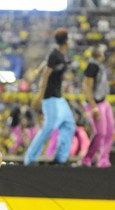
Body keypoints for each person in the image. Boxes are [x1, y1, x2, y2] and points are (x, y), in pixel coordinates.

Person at [24, 28, 76, 166]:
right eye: (69, 38)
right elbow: (46, 74)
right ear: (66, 40)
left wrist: (36, 70)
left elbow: (45, 65)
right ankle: (30, 158)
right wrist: (40, 95)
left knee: (69, 124)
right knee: (49, 127)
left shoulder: (60, 54)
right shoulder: (55, 54)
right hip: (49, 97)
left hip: (59, 97)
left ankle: (60, 158)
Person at [81, 46, 115, 168]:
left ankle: (103, 159)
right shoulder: (92, 66)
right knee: (100, 133)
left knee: (110, 131)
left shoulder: (100, 66)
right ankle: (87, 158)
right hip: (95, 103)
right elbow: (86, 87)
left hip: (104, 101)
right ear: (99, 54)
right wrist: (93, 106)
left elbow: (103, 83)